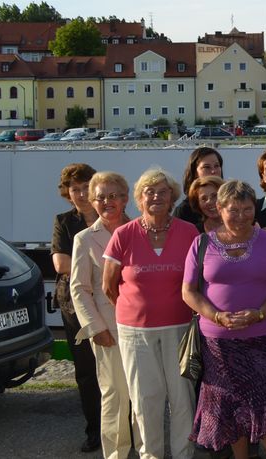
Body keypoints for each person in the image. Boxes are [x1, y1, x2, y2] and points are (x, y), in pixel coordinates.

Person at [181, 180, 266, 459]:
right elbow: (188, 291)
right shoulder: (201, 243)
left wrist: (260, 313)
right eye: (233, 210)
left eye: (247, 209)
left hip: (261, 338)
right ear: (219, 209)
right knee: (230, 406)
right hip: (218, 344)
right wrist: (216, 315)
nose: (241, 216)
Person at [102, 168, 199, 459]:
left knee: (182, 397)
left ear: (172, 198)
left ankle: (183, 454)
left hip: (179, 328)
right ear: (139, 199)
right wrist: (137, 310)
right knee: (145, 399)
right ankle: (150, 454)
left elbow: (198, 280)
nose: (156, 196)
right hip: (135, 333)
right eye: (149, 192)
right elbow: (108, 286)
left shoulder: (188, 232)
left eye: (163, 191)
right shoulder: (123, 234)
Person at [69, 171, 134, 459]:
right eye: (101, 197)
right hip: (108, 330)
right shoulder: (84, 239)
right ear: (93, 202)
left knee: (143, 396)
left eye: (113, 195)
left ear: (125, 198)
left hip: (142, 327)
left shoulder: (140, 230)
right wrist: (95, 328)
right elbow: (79, 289)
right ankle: (116, 454)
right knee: (115, 395)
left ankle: (147, 450)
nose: (107, 201)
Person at [52, 162, 102, 453]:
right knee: (86, 370)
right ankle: (95, 430)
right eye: (75, 189)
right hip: (75, 305)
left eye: (86, 187)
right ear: (67, 193)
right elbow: (61, 263)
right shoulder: (63, 222)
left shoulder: (113, 216)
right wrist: (100, 270)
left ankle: (124, 428)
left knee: (118, 368)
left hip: (110, 300)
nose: (82, 194)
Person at [175, 147, 224, 225]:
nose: (213, 171)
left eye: (217, 166)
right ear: (195, 172)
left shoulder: (232, 200)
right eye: (206, 167)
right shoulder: (184, 211)